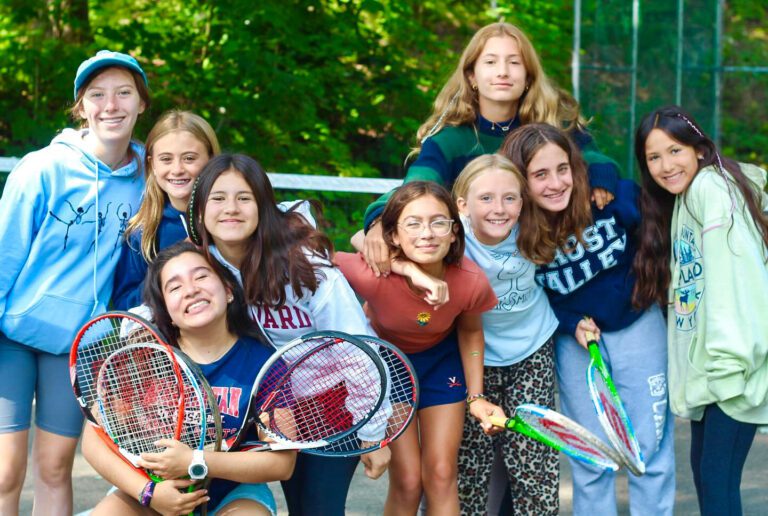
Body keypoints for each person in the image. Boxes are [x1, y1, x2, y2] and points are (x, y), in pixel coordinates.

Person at [186, 153, 390, 515]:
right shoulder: (203, 264)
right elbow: (171, 299)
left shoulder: (307, 266)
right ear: (200, 210)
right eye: (218, 198)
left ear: (263, 206)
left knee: (317, 509)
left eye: (244, 197)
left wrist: (373, 431)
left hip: (332, 404)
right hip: (269, 405)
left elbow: (358, 349)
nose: (230, 208)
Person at [0, 50, 150, 514]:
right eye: (97, 95)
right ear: (81, 107)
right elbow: (5, 252)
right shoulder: (42, 168)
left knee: (54, 466)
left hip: (76, 345)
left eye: (124, 93)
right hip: (13, 336)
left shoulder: (150, 177)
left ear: (141, 104)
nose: (111, 105)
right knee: (5, 470)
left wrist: (373, 225)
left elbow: (218, 193)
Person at [499, 123, 676, 515]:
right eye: (540, 175)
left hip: (636, 323)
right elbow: (529, 298)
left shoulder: (612, 199)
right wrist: (568, 321)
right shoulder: (515, 231)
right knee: (589, 453)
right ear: (521, 180)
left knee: (649, 446)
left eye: (563, 169)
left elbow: (655, 238)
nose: (556, 183)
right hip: (575, 340)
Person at [361, 21, 621, 276]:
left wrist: (597, 173)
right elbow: (416, 185)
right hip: (474, 267)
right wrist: (378, 220)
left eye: (514, 62)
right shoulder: (450, 139)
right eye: (490, 62)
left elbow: (592, 155)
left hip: (544, 265)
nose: (503, 72)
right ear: (472, 75)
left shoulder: (549, 124)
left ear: (529, 76)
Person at [82, 241, 296, 515]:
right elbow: (93, 442)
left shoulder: (267, 365)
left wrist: (195, 460)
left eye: (202, 276)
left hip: (232, 491)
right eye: (175, 287)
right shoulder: (143, 358)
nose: (191, 290)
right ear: (166, 310)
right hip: (152, 489)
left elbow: (281, 463)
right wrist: (148, 492)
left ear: (228, 290)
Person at [336, 180, 502, 515]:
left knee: (441, 474)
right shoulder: (373, 274)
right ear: (393, 235)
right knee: (408, 480)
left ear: (454, 232)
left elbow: (470, 332)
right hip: (389, 367)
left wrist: (476, 395)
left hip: (440, 364)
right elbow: (314, 255)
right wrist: (405, 267)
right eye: (413, 223)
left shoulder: (470, 281)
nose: (427, 233)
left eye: (438, 222)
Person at [633, 105, 768, 516]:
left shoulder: (713, 189)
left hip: (730, 373)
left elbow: (736, 284)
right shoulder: (688, 198)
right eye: (653, 157)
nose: (665, 165)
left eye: (674, 151)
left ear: (698, 148)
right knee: (709, 483)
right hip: (711, 375)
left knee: (718, 487)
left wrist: (729, 369)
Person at [449, 154, 560, 515]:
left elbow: (576, 172)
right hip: (470, 357)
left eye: (510, 198)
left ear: (523, 201)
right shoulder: (451, 241)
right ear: (462, 205)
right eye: (486, 199)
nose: (499, 209)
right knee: (468, 467)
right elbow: (384, 230)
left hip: (531, 348)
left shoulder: (533, 227)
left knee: (533, 461)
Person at [112, 110, 220, 310]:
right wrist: (169, 268)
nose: (177, 169)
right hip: (170, 340)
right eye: (166, 159)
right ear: (152, 164)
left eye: (189, 158)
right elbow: (125, 305)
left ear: (211, 159)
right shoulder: (143, 232)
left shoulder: (229, 218)